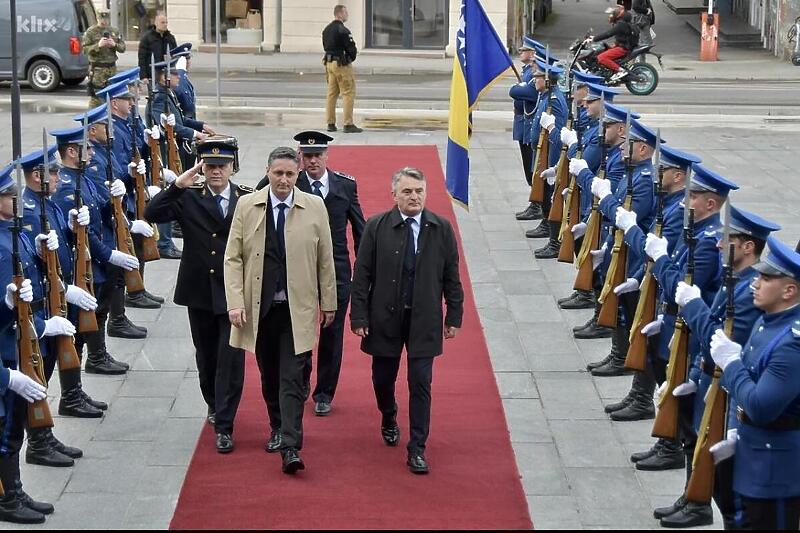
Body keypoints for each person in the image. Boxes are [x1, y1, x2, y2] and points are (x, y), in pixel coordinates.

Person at [654, 207, 780, 528]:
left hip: (730, 390)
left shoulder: (750, 292)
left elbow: (719, 338)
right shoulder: (735, 280)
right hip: (712, 379)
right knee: (697, 443)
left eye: (728, 240)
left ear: (748, 246)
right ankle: (694, 501)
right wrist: (696, 376)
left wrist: (692, 304)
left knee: (727, 482)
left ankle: (703, 506)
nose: (720, 245)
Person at [225, 146, 336, 474]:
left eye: (290, 174)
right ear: (268, 172)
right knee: (269, 374)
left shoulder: (314, 207)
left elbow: (325, 259)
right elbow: (233, 258)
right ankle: (276, 424)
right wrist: (235, 302)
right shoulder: (247, 205)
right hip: (260, 309)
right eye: (278, 173)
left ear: (298, 174)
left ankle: (290, 445)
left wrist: (328, 302)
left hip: (296, 309)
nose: (284, 180)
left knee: (291, 376)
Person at [350, 167, 464, 474]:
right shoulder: (376, 226)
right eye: (407, 192)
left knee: (421, 383)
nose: (414, 197)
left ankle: (417, 447)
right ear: (394, 195)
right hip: (384, 319)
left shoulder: (441, 227)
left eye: (419, 191)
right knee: (383, 379)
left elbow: (451, 276)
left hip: (424, 320)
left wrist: (454, 314)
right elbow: (361, 275)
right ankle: (388, 415)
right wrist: (358, 315)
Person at [145, 137, 251, 454]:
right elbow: (152, 212)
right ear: (202, 168)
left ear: (232, 167)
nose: (216, 171)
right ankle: (213, 403)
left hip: (234, 292)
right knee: (206, 356)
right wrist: (178, 183)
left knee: (231, 359)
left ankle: (225, 422)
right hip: (200, 291)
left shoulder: (246, 198)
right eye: (210, 166)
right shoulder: (188, 198)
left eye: (222, 166)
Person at [256, 131, 364, 416]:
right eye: (308, 155)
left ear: (327, 156)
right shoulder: (289, 181)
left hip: (336, 271)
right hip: (296, 271)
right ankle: (300, 379)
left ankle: (325, 391)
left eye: (318, 155)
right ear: (300, 157)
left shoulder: (344, 185)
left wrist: (365, 273)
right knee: (298, 329)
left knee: (332, 333)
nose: (313, 161)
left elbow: (359, 230)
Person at [709, 236, 800, 530]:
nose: (756, 284)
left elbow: (761, 406)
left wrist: (731, 364)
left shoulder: (792, 344)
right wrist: (735, 427)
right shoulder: (767, 321)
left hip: (774, 471)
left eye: (766, 278)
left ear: (789, 290)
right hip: (751, 455)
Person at [18, 147, 105, 419]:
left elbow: (62, 250)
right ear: (36, 176)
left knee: (68, 345)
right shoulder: (32, 211)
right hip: (50, 297)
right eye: (52, 172)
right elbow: (37, 266)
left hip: (61, 289)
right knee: (41, 366)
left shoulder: (47, 202)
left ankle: (72, 394)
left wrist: (70, 228)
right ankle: (40, 436)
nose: (58, 176)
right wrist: (66, 291)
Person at [50, 124, 135, 375]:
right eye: (85, 148)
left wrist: (117, 198)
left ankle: (97, 356)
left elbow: (98, 212)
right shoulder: (67, 186)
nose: (90, 151)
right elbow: (79, 234)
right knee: (80, 323)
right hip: (83, 261)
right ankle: (75, 387)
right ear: (72, 152)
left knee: (98, 311)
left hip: (94, 258)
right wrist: (108, 254)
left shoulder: (82, 177)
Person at [509, 36, 541, 222]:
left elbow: (518, 92)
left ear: (533, 54)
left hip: (528, 124)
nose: (520, 53)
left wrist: (518, 87)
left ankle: (537, 204)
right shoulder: (528, 71)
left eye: (523, 50)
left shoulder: (532, 73)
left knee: (532, 166)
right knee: (528, 165)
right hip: (523, 123)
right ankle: (535, 201)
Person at [323, 5, 361, 133]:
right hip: (341, 64)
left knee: (331, 94)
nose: (347, 15)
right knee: (348, 93)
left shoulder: (327, 29)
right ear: (339, 14)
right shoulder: (342, 30)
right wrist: (350, 58)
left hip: (329, 64)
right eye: (345, 13)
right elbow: (351, 47)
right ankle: (348, 124)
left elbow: (326, 46)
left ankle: (330, 123)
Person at [82, 7, 126, 108]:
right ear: (97, 18)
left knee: (112, 97)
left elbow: (123, 48)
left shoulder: (114, 31)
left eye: (106, 19)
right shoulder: (90, 32)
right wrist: (98, 46)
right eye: (101, 19)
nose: (104, 21)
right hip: (97, 70)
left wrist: (114, 45)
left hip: (111, 69)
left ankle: (109, 121)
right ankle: (93, 121)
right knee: (97, 99)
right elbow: (84, 49)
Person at [587, 6, 637, 83]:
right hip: (621, 46)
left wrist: (594, 39)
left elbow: (608, 34)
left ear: (617, 15)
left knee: (601, 57)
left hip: (622, 49)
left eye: (612, 14)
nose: (610, 16)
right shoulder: (622, 23)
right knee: (602, 50)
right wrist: (594, 37)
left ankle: (620, 71)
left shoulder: (621, 25)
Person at [137, 12, 177, 84]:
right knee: (155, 94)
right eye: (162, 22)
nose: (165, 24)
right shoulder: (147, 38)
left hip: (167, 73)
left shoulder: (170, 38)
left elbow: (176, 54)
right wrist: (143, 76)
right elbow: (142, 58)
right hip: (152, 73)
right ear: (156, 23)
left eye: (166, 22)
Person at [171, 43, 197, 121]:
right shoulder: (180, 78)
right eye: (188, 59)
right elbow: (187, 106)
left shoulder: (183, 76)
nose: (189, 62)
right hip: (185, 122)